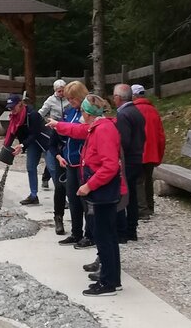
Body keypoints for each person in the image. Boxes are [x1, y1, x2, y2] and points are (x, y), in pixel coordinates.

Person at [50, 93, 126, 296]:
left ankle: (108, 283)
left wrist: (89, 186)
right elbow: (77, 130)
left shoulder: (104, 131)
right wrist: (57, 125)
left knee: (104, 236)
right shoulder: (97, 126)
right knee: (107, 235)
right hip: (102, 190)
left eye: (82, 110)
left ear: (88, 112)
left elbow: (110, 165)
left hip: (103, 191)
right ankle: (112, 279)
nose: (80, 113)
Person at [56, 81, 90, 247]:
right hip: (70, 162)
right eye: (68, 99)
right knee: (73, 200)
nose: (70, 102)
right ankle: (76, 233)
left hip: (82, 163)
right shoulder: (70, 112)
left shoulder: (87, 112)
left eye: (72, 99)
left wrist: (62, 127)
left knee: (85, 201)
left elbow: (80, 131)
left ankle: (90, 234)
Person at [112, 84, 145, 242]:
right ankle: (132, 229)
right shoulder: (137, 111)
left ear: (118, 98)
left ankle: (124, 231)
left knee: (124, 196)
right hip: (138, 157)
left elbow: (123, 140)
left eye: (114, 96)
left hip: (129, 160)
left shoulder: (123, 114)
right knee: (132, 195)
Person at [3, 93, 45, 206]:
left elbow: (35, 133)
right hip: (31, 143)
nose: (11, 110)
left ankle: (63, 198)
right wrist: (5, 148)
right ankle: (33, 195)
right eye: (9, 108)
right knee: (30, 167)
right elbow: (11, 133)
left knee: (52, 168)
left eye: (13, 107)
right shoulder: (14, 118)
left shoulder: (33, 114)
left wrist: (21, 146)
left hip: (45, 142)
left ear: (20, 104)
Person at [131, 84, 165, 216]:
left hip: (137, 151)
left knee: (138, 180)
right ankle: (150, 207)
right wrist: (159, 154)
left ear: (133, 96)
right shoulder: (153, 110)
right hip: (152, 152)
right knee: (148, 179)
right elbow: (161, 135)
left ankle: (142, 210)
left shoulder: (132, 110)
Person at [38, 79, 70, 192]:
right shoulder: (50, 100)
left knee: (60, 154)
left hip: (67, 127)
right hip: (54, 128)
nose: (62, 93)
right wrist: (38, 122)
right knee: (53, 152)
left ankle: (52, 176)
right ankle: (46, 177)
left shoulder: (69, 99)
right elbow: (41, 112)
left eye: (63, 90)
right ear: (55, 91)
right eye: (59, 91)